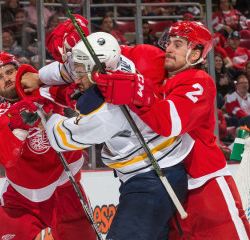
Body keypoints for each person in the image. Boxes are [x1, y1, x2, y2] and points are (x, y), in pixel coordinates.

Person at [21, 30, 189, 239]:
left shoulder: (106, 114)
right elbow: (69, 70)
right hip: (164, 173)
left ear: (97, 71)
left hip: (151, 182)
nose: (76, 78)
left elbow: (60, 139)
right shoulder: (121, 64)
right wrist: (40, 78)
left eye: (82, 72)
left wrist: (46, 112)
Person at [92, 21, 250, 239]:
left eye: (178, 44)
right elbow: (115, 54)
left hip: (205, 184)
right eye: (169, 43)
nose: (169, 49)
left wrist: (136, 91)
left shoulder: (199, 81)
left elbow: (170, 122)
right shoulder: (158, 74)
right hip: (168, 186)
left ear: (195, 55)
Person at [0, 51, 96, 239]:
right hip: (22, 198)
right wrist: (19, 126)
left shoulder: (44, 89)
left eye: (10, 72)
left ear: (20, 72)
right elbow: (5, 158)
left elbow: (79, 96)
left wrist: (73, 93)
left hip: (66, 189)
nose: (7, 78)